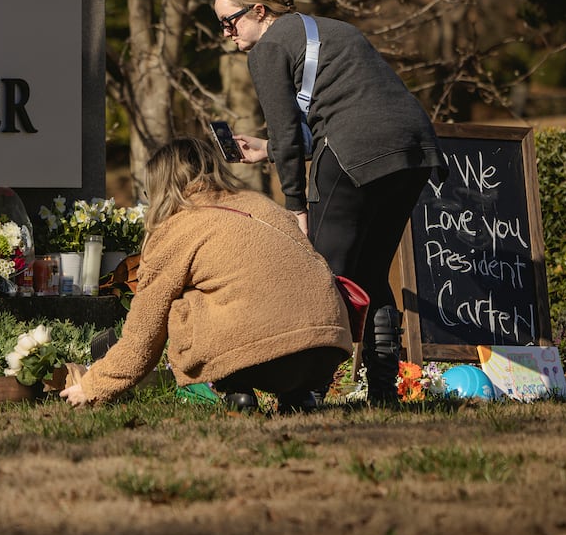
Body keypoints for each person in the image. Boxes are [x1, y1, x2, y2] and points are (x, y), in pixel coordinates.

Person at [212, 0, 443, 403]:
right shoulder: (335, 30)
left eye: (231, 22)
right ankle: (382, 390)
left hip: (356, 150)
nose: (227, 33)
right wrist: (268, 151)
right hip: (415, 150)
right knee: (372, 271)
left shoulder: (269, 48)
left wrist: (296, 206)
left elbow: (291, 131)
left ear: (260, 12)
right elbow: (356, 111)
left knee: (321, 277)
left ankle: (305, 392)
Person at [60, 137, 353, 412]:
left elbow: (144, 336)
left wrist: (94, 386)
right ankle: (297, 396)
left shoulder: (176, 229)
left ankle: (239, 391)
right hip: (327, 350)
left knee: (179, 304)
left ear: (161, 187)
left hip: (258, 359)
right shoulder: (264, 204)